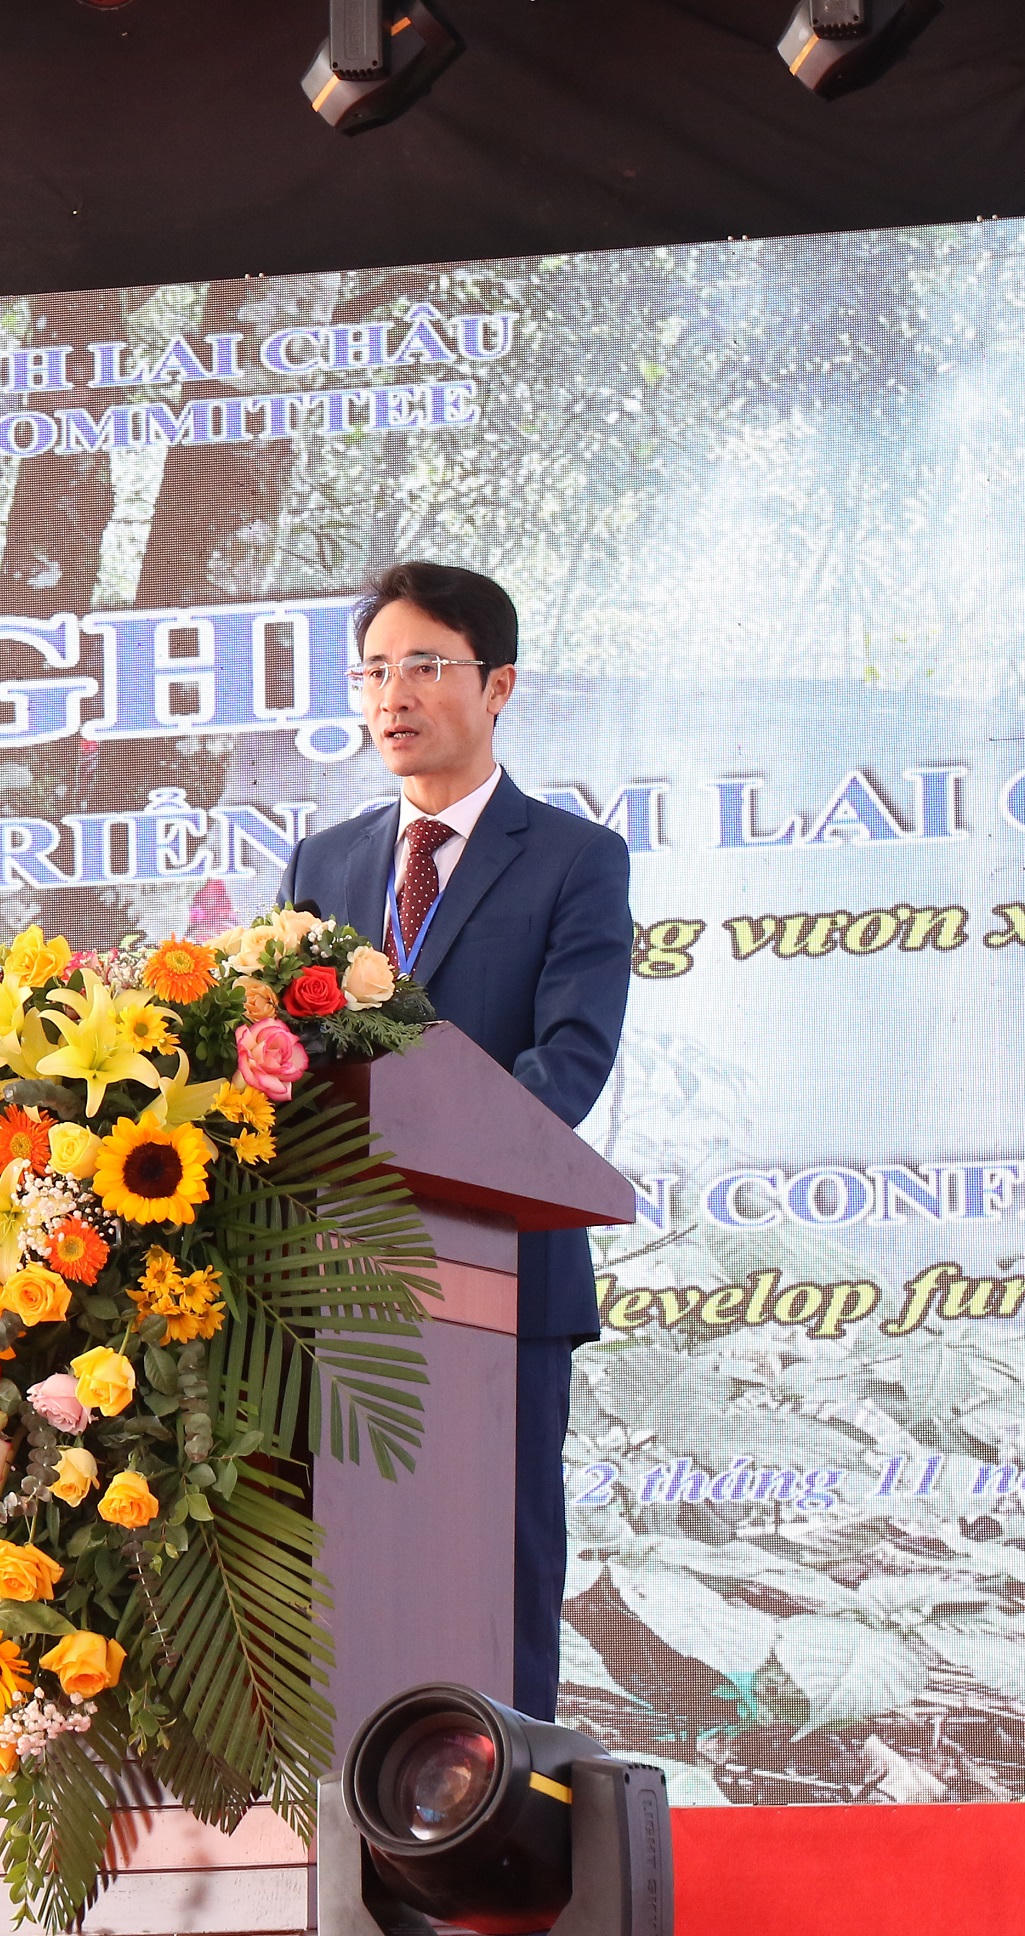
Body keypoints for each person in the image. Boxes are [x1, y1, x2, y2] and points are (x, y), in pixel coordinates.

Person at [278, 560, 631, 1722]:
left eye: (426, 665)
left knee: (500, 1585)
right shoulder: (324, 864)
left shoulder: (575, 857)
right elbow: (280, 1058)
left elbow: (566, 1066)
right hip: (338, 1292)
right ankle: (356, 1811)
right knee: (352, 1594)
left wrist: (403, 1157)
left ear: (498, 684)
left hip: (502, 1282)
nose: (394, 694)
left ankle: (506, 1803)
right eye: (375, 670)